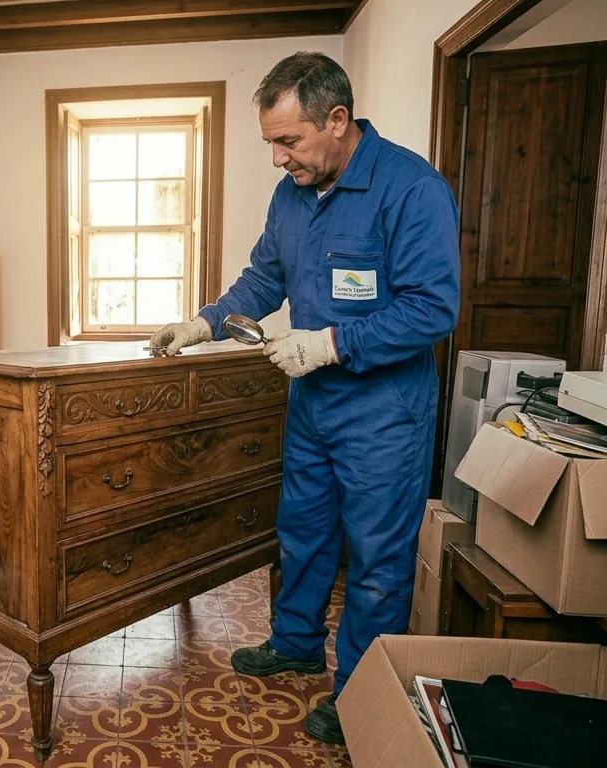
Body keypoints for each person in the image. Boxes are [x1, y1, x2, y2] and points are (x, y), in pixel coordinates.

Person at [150, 51, 460, 744]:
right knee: (303, 533)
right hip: (314, 407)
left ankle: (358, 695)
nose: (277, 158)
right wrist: (202, 323)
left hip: (385, 413)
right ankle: (294, 643)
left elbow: (433, 309)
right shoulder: (293, 192)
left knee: (376, 561)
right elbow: (264, 277)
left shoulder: (411, 189)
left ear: (338, 120)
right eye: (271, 143)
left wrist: (330, 344)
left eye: (287, 141)